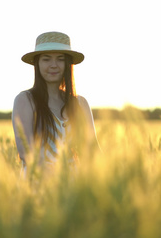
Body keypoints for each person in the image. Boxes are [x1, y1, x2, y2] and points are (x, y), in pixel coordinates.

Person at [12, 31, 97, 176]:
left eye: (60, 59)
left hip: (74, 186)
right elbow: (26, 151)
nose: (53, 65)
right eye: (46, 59)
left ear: (68, 63)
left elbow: (92, 151)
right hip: (36, 185)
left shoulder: (80, 103)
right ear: (37, 63)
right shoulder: (25, 100)